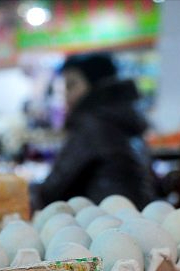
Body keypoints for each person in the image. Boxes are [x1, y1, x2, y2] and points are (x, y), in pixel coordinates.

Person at [35, 53, 156, 208]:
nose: (66, 95)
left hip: (104, 220)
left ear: (95, 84)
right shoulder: (122, 118)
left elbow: (50, 191)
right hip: (135, 217)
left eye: (71, 85)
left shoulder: (93, 124)